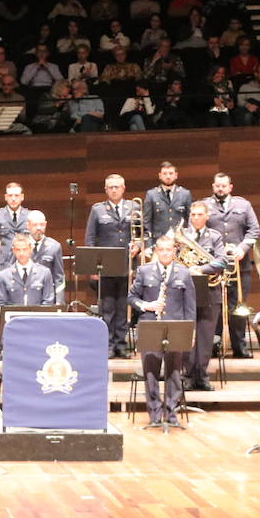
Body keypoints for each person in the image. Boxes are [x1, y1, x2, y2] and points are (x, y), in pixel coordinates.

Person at [128, 236, 197, 427]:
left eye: (169, 249)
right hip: (150, 326)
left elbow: (190, 306)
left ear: (174, 251)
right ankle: (154, 414)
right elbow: (131, 297)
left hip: (175, 328)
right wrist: (147, 305)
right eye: (162, 250)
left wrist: (191, 331)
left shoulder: (183, 273)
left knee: (174, 372)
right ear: (157, 251)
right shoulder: (144, 271)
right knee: (151, 372)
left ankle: (171, 413)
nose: (166, 253)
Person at [205, 174, 260, 359]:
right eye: (217, 186)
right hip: (215, 266)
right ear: (213, 186)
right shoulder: (204, 205)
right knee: (215, 307)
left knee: (238, 307)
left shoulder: (243, 205)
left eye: (224, 186)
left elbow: (254, 230)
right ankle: (214, 344)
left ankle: (240, 347)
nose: (220, 189)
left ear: (230, 187)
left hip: (240, 265)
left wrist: (243, 248)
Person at [85, 174, 137, 358]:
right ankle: (107, 344)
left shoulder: (134, 207)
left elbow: (143, 234)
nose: (114, 190)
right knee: (107, 307)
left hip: (127, 264)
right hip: (105, 265)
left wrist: (138, 245)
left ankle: (121, 345)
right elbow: (90, 238)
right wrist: (92, 267)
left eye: (117, 187)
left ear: (123, 188)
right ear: (106, 190)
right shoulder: (97, 209)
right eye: (110, 187)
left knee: (123, 306)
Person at [180, 201, 230, 391]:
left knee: (206, 336)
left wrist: (199, 268)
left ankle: (202, 375)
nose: (196, 218)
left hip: (210, 292)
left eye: (200, 214)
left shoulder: (215, 237)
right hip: (186, 293)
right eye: (193, 214)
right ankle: (188, 375)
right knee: (187, 335)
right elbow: (174, 259)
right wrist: (187, 270)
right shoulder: (182, 236)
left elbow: (222, 262)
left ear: (207, 216)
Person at [0, 234, 57, 308]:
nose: (21, 253)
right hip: (14, 318)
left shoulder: (44, 273)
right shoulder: (4, 275)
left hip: (36, 318)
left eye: (24, 249)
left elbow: (48, 302)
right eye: (18, 250)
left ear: (31, 249)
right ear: (13, 250)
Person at [142, 161, 192, 242]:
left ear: (176, 175)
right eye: (165, 173)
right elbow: (146, 223)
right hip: (158, 243)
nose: (168, 176)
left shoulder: (185, 194)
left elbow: (190, 220)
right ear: (160, 176)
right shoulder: (151, 195)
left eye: (171, 173)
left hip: (179, 243)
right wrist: (148, 245)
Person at [0, 182, 30, 268]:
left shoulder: (30, 216)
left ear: (22, 197)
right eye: (10, 196)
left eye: (16, 195)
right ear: (6, 197)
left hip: (26, 264)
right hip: (3, 266)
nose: (13, 199)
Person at [26, 210, 65, 303]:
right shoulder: (21, 246)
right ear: (28, 225)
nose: (39, 228)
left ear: (46, 224)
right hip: (26, 295)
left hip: (47, 296)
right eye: (35, 225)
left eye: (42, 224)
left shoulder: (54, 246)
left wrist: (59, 302)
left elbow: (59, 277)